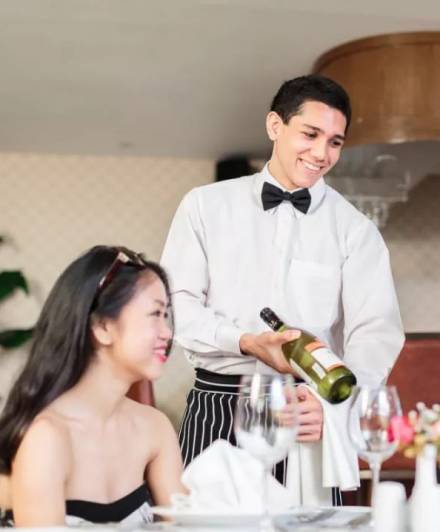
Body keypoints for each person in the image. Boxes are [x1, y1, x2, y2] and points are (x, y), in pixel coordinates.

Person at [160, 74, 404, 503]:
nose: (321, 153)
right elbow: (176, 306)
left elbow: (375, 332)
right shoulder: (203, 206)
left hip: (304, 409)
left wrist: (336, 407)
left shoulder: (356, 230)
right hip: (219, 405)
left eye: (335, 142)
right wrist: (246, 341)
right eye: (310, 134)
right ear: (275, 125)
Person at [0, 246, 186, 527]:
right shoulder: (45, 436)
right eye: (155, 314)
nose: (167, 332)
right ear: (103, 326)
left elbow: (187, 525)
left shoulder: (155, 427)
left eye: (167, 316)